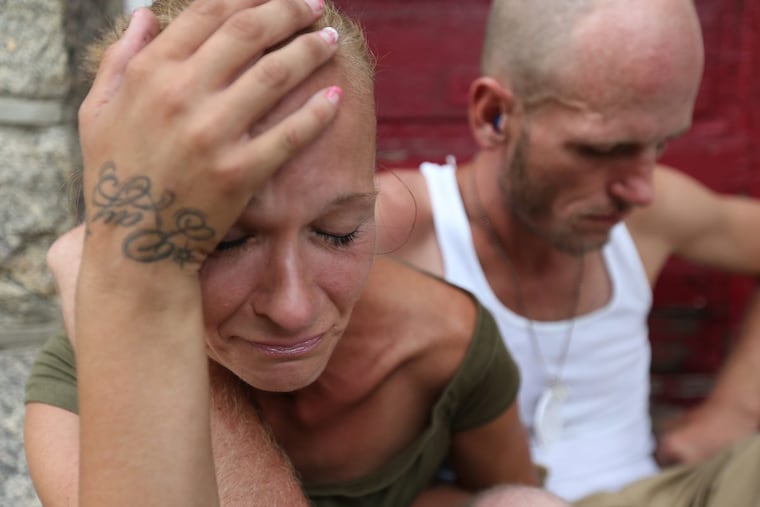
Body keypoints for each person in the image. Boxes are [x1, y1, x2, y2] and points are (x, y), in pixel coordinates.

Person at [22, 1, 546, 506]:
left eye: (339, 232)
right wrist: (126, 280)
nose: (293, 307)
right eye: (224, 242)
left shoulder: (445, 344)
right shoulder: (79, 394)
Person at [374, 0, 760, 503]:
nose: (640, 190)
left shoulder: (652, 210)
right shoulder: (399, 229)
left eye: (660, 144)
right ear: (494, 116)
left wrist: (736, 409)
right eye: (602, 149)